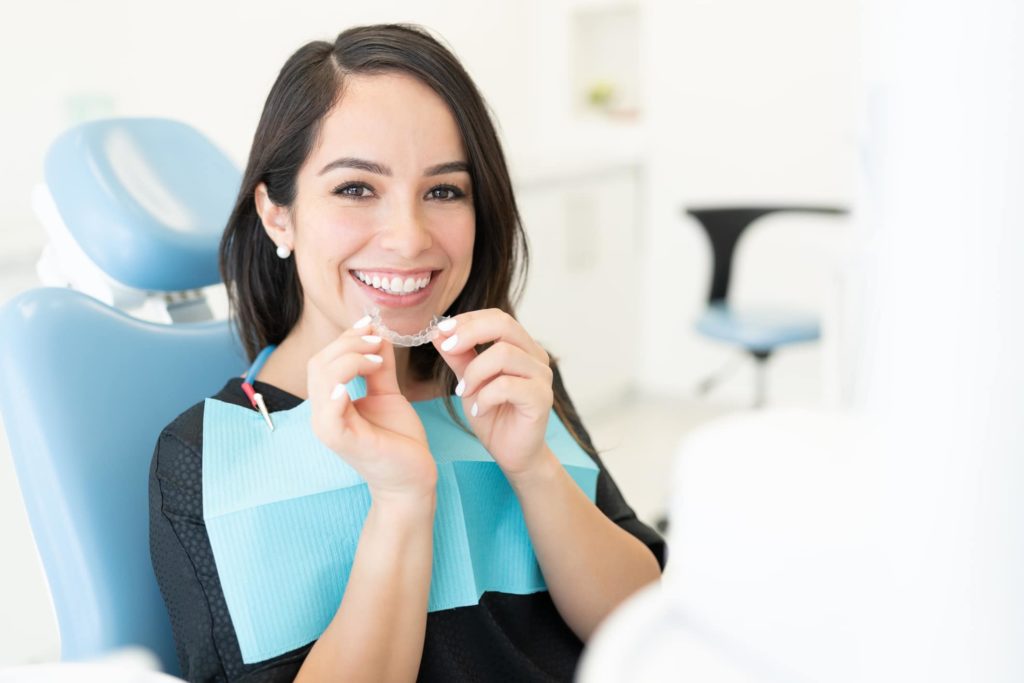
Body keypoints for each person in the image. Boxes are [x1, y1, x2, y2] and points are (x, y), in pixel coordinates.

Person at [149, 23, 666, 683]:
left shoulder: (508, 379)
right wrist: (401, 498)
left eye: (444, 191)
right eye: (356, 188)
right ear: (278, 215)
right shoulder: (206, 453)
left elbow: (651, 629)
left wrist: (534, 467)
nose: (408, 237)